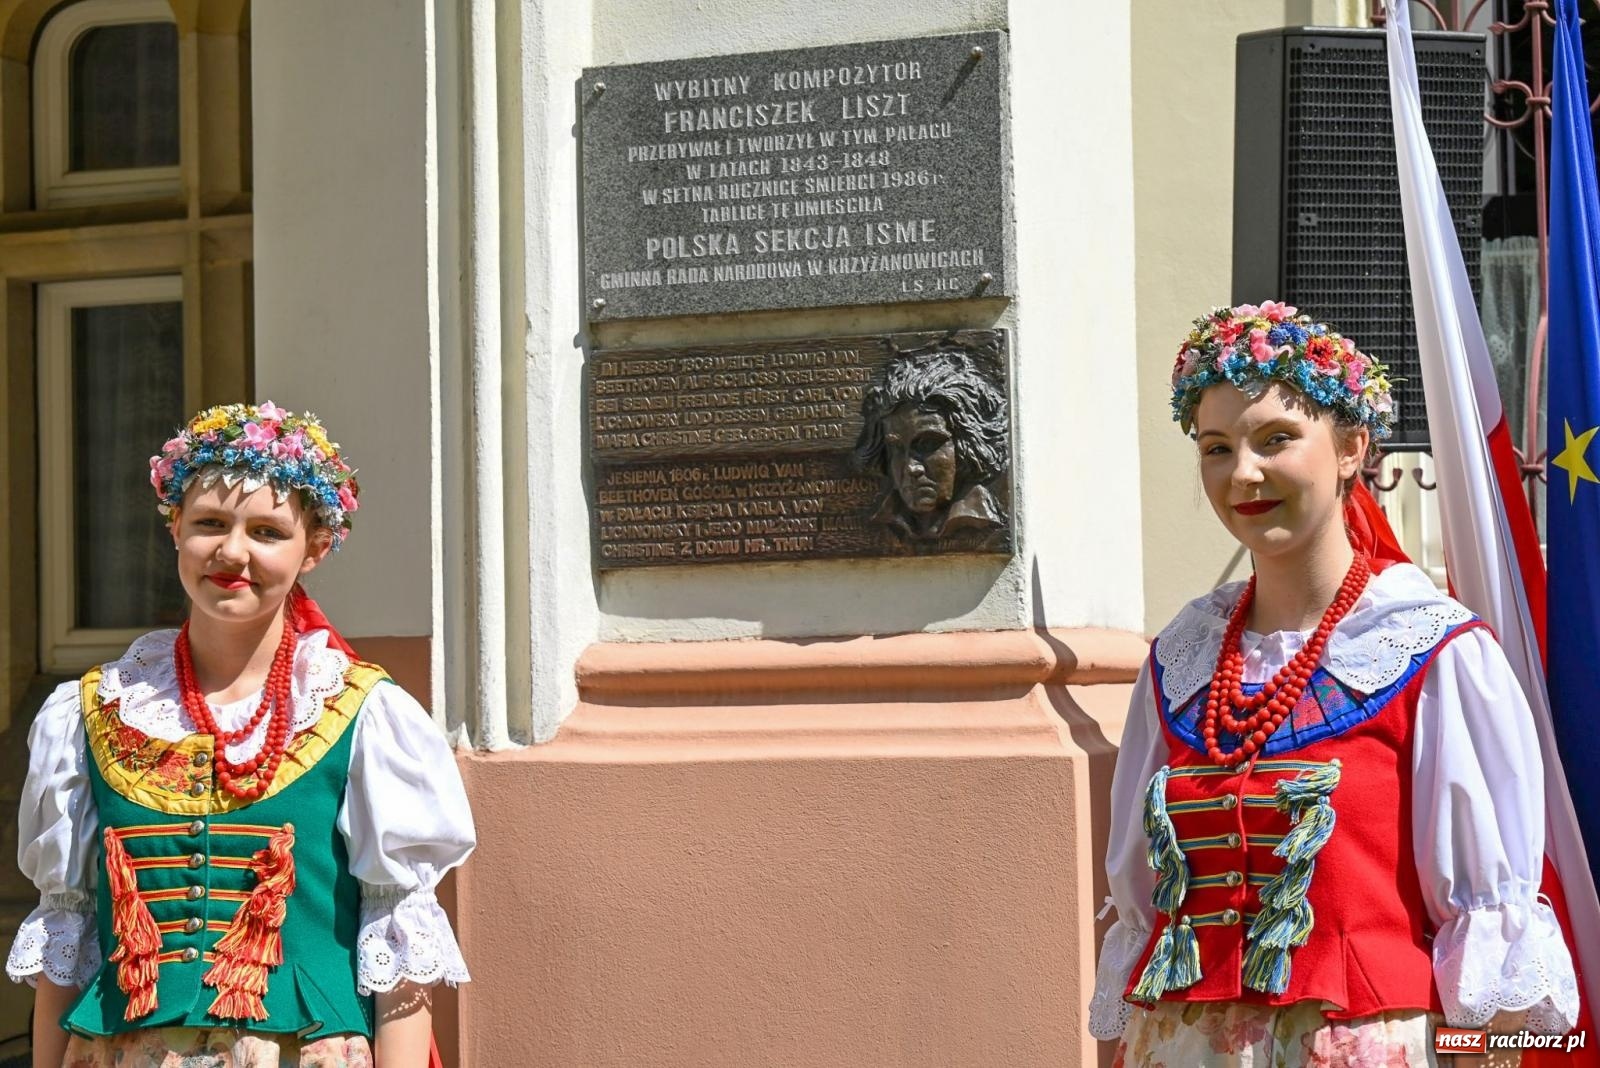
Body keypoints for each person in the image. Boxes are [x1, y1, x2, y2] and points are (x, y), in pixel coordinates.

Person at [1087, 303, 1578, 1064]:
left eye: (1275, 439)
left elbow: (1489, 942)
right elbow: (1143, 910)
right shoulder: (1182, 659)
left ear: (1352, 447)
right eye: (1216, 449)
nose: (1242, 474)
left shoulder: (1431, 651)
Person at [8, 402, 475, 1068]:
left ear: (314, 548)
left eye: (266, 531)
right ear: (175, 527)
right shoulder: (90, 713)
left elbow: (401, 962)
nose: (232, 552)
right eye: (209, 523)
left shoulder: (363, 713)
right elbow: (67, 936)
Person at [853, 345, 1009, 547]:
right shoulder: (879, 526)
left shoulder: (989, 528)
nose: (912, 468)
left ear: (968, 446)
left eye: (928, 444)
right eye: (896, 448)